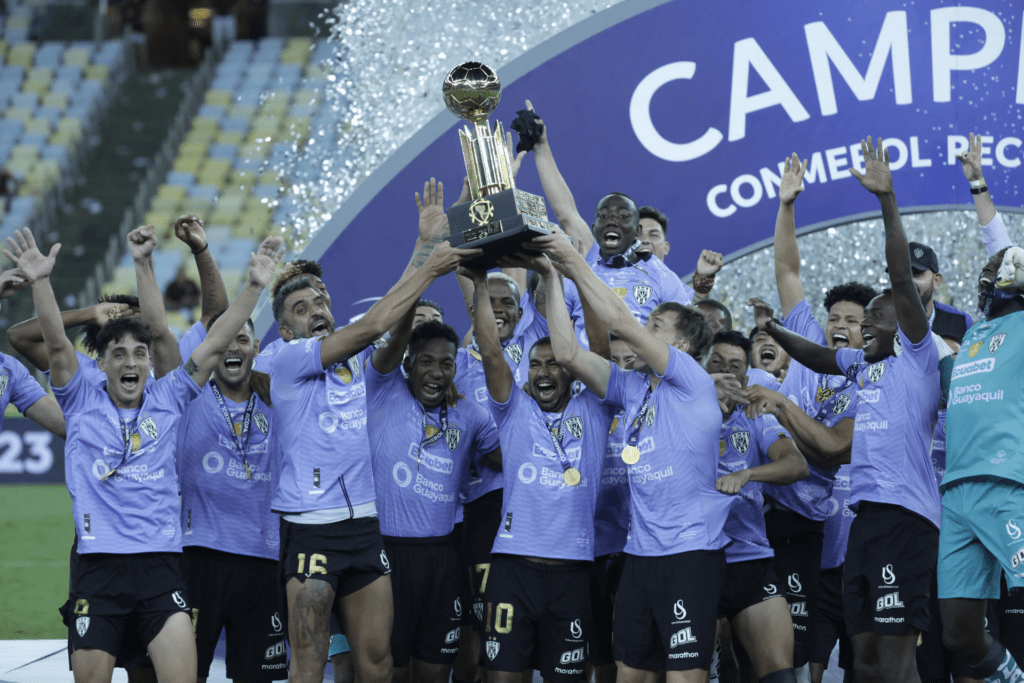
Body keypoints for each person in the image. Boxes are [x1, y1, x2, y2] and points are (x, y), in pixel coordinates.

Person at [7, 225, 282, 683]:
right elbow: (55, 344)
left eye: (139, 354)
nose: (131, 362)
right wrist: (41, 283)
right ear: (102, 364)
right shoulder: (80, 397)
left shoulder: (170, 396)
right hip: (99, 571)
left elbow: (215, 343)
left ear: (149, 363)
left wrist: (254, 287)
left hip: (161, 570)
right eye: (119, 354)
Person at [748, 137, 941, 683]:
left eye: (878, 318)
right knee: (865, 663)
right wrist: (775, 330)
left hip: (906, 522)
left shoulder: (918, 360)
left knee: (897, 661)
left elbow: (901, 279)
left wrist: (887, 201)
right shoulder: (861, 366)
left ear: (897, 324)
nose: (868, 326)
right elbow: (812, 353)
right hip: (863, 525)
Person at [268, 230, 478, 683]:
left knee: (377, 663)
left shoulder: (354, 368)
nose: (315, 312)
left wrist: (422, 246)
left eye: (319, 303)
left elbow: (391, 331)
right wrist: (428, 267)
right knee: (310, 660)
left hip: (365, 528)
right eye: (300, 310)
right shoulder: (286, 361)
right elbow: (371, 327)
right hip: (311, 529)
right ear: (286, 331)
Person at [529, 232, 729, 683]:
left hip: (690, 554)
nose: (644, 325)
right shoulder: (632, 386)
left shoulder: (693, 381)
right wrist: (550, 276)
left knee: (683, 679)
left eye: (655, 325)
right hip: (639, 556)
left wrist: (575, 261)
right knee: (630, 676)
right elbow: (566, 352)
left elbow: (621, 322)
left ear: (682, 346)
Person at [744, 153, 875, 681]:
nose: (840, 325)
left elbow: (830, 449)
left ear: (868, 335)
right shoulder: (802, 338)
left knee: (800, 659)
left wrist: (781, 402)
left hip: (809, 527)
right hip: (761, 513)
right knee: (751, 647)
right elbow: (787, 268)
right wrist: (786, 206)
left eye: (853, 321)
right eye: (835, 317)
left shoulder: (868, 383)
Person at [461, 253, 615, 683]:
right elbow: (491, 353)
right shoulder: (514, 411)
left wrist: (560, 275)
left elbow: (600, 352)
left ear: (572, 372)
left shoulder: (595, 409)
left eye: (554, 364)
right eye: (535, 365)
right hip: (513, 569)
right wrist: (477, 283)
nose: (543, 372)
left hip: (573, 573)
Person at [366, 314, 500, 683]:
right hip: (387, 556)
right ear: (408, 363)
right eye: (426, 361)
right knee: (388, 670)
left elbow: (510, 459)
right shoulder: (381, 390)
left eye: (446, 363)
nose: (437, 372)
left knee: (435, 671)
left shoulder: (470, 415)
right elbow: (390, 342)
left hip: (443, 557)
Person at [934, 139, 1024, 683]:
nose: (987, 273)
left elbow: (1005, 245)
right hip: (957, 496)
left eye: (999, 268)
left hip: (1009, 484)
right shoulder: (967, 336)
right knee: (960, 633)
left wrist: (979, 186)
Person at [525, 100, 719, 342]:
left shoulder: (660, 274)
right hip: (590, 375)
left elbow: (688, 330)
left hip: (638, 374)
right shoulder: (583, 262)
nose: (612, 222)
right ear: (595, 228)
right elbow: (566, 212)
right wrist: (541, 148)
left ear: (635, 231)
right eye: (604, 216)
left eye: (623, 217)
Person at [175, 313, 286, 683]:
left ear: (256, 348)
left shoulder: (278, 395)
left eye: (243, 339)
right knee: (186, 674)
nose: (233, 347)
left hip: (264, 562)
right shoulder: (190, 394)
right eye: (225, 341)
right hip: (198, 557)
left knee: (258, 677)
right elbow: (209, 311)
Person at [707, 331, 808, 683]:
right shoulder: (676, 411)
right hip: (691, 558)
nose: (724, 371)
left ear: (745, 378)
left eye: (734, 365)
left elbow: (796, 465)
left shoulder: (756, 417)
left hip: (748, 560)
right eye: (715, 361)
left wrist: (749, 473)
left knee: (781, 676)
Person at [896, 240, 974, 344]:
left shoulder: (960, 321)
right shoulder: (882, 319)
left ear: (936, 281)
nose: (908, 282)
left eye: (916, 274)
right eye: (902, 274)